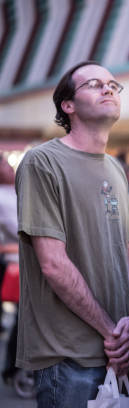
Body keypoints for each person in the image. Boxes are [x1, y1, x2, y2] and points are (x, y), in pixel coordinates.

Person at [15, 61, 129, 407]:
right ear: (67, 105)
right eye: (94, 84)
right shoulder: (42, 163)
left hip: (117, 352)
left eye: (113, 85)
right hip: (68, 355)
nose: (108, 89)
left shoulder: (115, 168)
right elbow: (53, 264)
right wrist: (111, 332)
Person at [0, 155, 19, 383]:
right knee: (23, 317)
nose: (10, 166)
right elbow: (20, 229)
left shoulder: (13, 191)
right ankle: (13, 369)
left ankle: (13, 369)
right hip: (16, 263)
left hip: (22, 261)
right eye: (4, 164)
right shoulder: (3, 197)